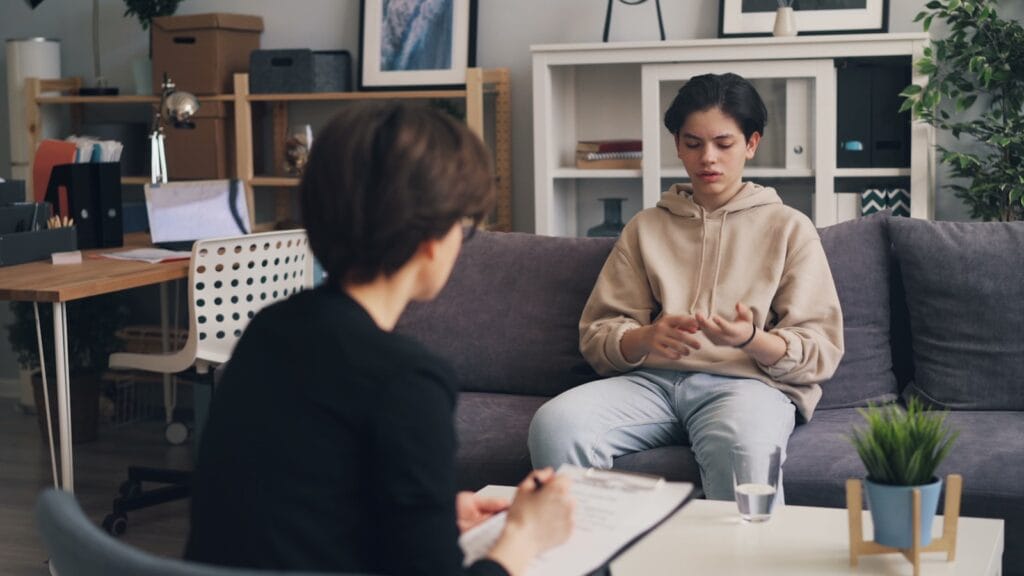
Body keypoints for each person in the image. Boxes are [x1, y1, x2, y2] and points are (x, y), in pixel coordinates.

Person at [185, 102, 574, 575]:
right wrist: (523, 536)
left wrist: (429, 518)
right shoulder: (406, 379)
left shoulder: (271, 328)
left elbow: (285, 510)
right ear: (430, 241)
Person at [529, 73, 844, 502]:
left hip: (747, 387)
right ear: (677, 145)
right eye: (693, 144)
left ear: (751, 144)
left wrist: (753, 339)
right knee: (556, 424)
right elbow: (599, 332)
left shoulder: (789, 228)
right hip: (651, 384)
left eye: (723, 143)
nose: (707, 158)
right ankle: (592, 561)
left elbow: (820, 350)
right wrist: (644, 338)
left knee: (746, 453)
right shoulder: (647, 227)